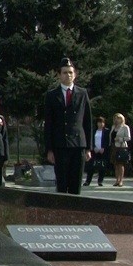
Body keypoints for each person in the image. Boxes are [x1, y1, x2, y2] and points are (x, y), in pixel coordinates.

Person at [43, 57, 92, 195]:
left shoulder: (82, 93)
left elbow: (87, 121)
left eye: (71, 72)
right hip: (60, 145)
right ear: (59, 75)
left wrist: (88, 148)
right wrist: (49, 149)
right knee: (62, 184)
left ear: (75, 74)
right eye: (65, 72)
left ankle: (75, 208)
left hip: (78, 145)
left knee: (76, 184)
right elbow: (49, 124)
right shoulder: (52, 95)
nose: (68, 75)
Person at [84, 117, 110, 186]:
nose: (101, 124)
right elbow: (91, 140)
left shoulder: (106, 131)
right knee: (91, 167)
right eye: (99, 122)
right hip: (94, 151)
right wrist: (93, 147)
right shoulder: (93, 131)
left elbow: (107, 141)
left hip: (102, 151)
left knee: (102, 166)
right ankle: (88, 181)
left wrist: (103, 148)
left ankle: (100, 181)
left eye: (102, 122)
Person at [109, 113, 132, 187]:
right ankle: (117, 180)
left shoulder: (125, 127)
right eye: (115, 118)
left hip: (121, 146)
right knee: (115, 164)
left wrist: (120, 139)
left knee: (120, 164)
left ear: (122, 119)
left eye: (118, 118)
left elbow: (128, 138)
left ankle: (121, 180)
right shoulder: (113, 127)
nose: (116, 120)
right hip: (114, 146)